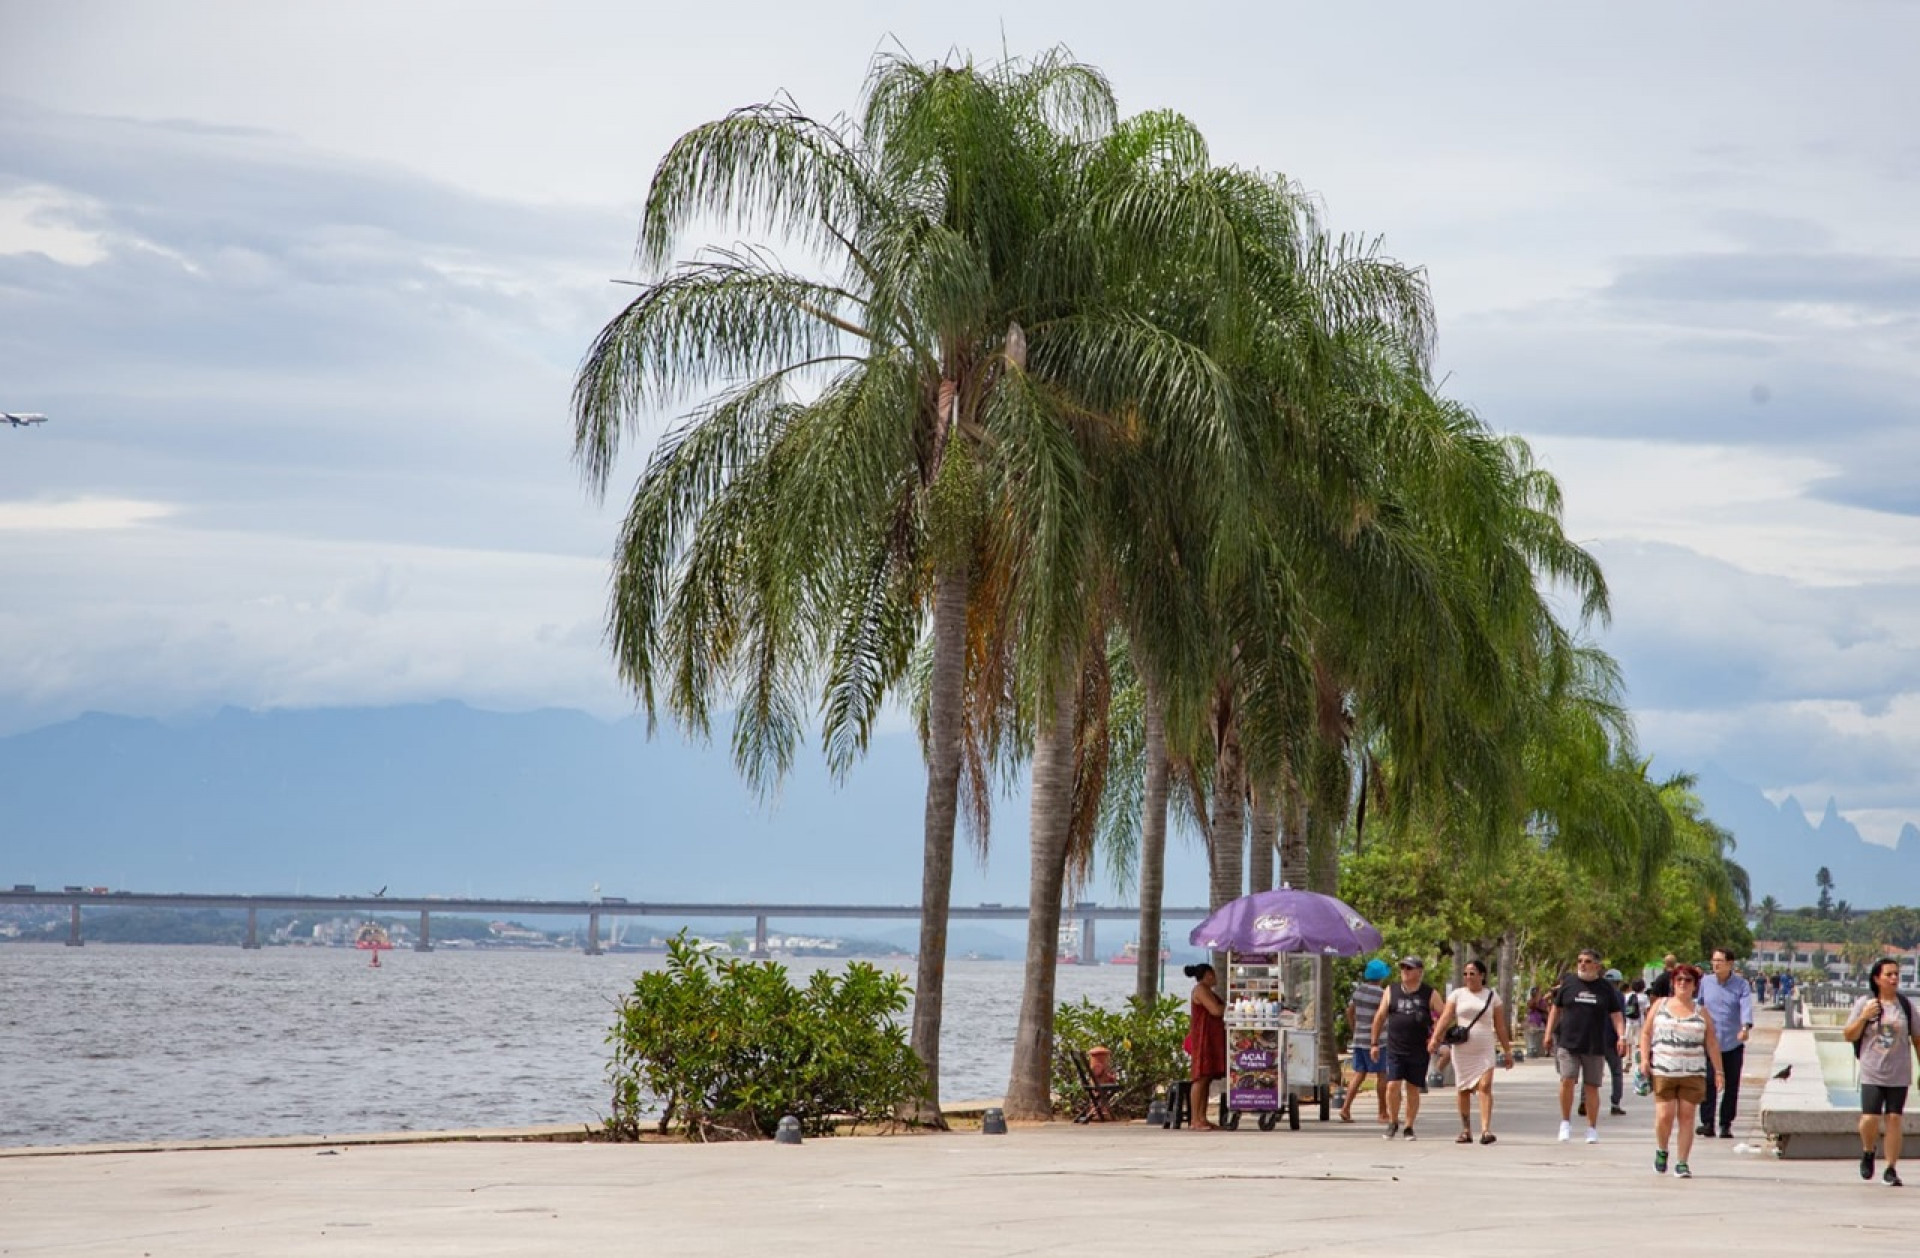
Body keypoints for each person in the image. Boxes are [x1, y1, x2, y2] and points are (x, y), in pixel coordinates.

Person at [1640, 962, 1726, 1179]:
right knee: (1664, 1116)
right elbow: (1646, 1033)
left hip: (1693, 1072)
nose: (1683, 984)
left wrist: (1718, 1071)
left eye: (1688, 981)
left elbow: (1712, 1042)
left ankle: (1682, 1162)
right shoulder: (1659, 1005)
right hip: (1664, 1069)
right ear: (1673, 983)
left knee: (1687, 1117)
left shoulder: (1701, 1012)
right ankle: (1662, 1150)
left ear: (1695, 986)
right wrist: (1643, 1059)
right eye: (1679, 980)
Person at [1844, 957, 1920, 1187]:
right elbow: (1849, 1035)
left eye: (1896, 974)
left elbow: (1917, 1039)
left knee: (1895, 1119)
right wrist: (1864, 1017)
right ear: (1877, 978)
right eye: (1889, 974)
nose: (1894, 978)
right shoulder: (1865, 1004)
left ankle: (1891, 1168)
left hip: (1899, 1072)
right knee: (1869, 1119)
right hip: (1872, 1071)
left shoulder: (1906, 1006)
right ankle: (1868, 1151)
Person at [1544, 949, 1627, 1143]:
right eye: (1580, 960)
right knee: (1567, 1080)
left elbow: (1616, 1015)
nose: (1582, 964)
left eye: (1587, 961)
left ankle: (1591, 1128)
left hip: (1594, 1044)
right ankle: (1565, 1123)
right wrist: (1548, 1034)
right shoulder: (1569, 984)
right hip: (1568, 1043)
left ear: (1596, 966)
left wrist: (1621, 1037)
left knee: (1591, 1087)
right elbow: (1556, 1009)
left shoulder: (1606, 989)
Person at [1426, 958, 1513, 1144]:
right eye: (1465, 974)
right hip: (1462, 1049)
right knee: (1463, 1089)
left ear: (1482, 976)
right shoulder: (1457, 995)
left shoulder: (1492, 996)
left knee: (1485, 1086)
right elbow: (1446, 1017)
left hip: (1484, 1048)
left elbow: (1500, 1026)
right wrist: (1435, 1038)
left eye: (1472, 974)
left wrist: (1507, 1051)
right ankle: (1466, 1130)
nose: (1468, 977)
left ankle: (1485, 1130)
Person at [1370, 956, 1444, 1140]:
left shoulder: (1429, 993)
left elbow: (1444, 1016)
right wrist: (1373, 1044)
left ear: (1420, 972)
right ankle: (1393, 1122)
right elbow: (1379, 1017)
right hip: (1395, 1048)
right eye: (1403, 968)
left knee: (1412, 1089)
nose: (1405, 971)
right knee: (1392, 1086)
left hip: (1419, 1049)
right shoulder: (1391, 991)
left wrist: (1435, 1037)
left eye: (1409, 968)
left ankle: (1409, 1126)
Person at [1697, 947, 1756, 1138]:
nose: (1715, 964)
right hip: (1709, 1043)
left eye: (1719, 961)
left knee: (1731, 1086)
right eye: (1713, 960)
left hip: (1732, 1043)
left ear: (1730, 963)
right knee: (1708, 1083)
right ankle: (1707, 1123)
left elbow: (1745, 1007)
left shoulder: (1741, 985)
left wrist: (1745, 1028)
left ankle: (1725, 1124)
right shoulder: (1705, 982)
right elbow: (1698, 1005)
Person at [1341, 958, 1393, 1124]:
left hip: (1359, 1038)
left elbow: (1349, 1011)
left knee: (1359, 1074)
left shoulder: (1358, 991)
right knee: (1382, 1075)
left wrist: (1354, 1027)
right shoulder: (1382, 994)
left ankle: (1345, 1108)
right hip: (1377, 1041)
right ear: (1382, 976)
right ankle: (1382, 1112)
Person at [1184, 962, 1226, 1131]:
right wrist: (1229, 1007)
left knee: (1207, 1078)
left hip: (1211, 1037)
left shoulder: (1208, 990)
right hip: (1202, 1037)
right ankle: (1195, 1119)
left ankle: (1203, 1117)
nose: (1215, 977)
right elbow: (1215, 1010)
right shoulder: (1200, 990)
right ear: (1207, 975)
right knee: (1200, 1078)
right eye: (1213, 974)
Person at [1525, 985, 1551, 1058]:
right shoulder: (1531, 1001)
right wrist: (1536, 1000)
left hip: (1542, 1021)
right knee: (1533, 1037)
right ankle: (1532, 1051)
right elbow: (1530, 1006)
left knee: (1543, 1036)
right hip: (1533, 1021)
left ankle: (1546, 1051)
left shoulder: (1543, 1001)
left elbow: (1546, 1010)